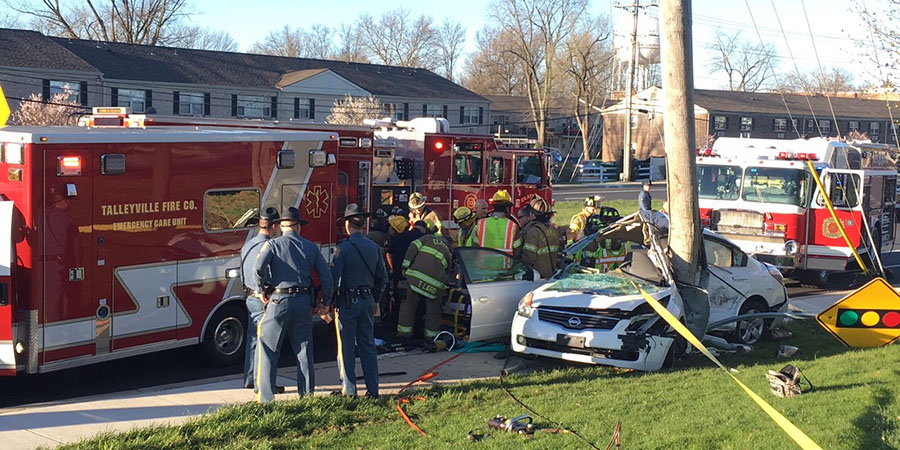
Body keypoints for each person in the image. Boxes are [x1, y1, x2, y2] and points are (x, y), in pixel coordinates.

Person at [253, 207, 334, 403]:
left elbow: (258, 268)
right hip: (304, 301)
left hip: (279, 300)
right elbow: (327, 277)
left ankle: (266, 399)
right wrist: (325, 303)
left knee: (268, 348)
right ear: (298, 227)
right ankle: (306, 397)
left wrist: (260, 289)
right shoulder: (311, 247)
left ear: (281, 226)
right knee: (304, 350)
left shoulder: (272, 245)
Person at [331, 204, 388, 398]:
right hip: (368, 300)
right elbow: (384, 278)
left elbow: (334, 277)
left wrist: (327, 302)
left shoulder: (343, 248)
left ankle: (349, 390)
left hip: (348, 302)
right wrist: (375, 299)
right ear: (363, 224)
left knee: (346, 346)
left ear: (348, 224)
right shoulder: (374, 247)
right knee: (368, 346)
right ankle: (373, 390)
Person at [240, 207, 284, 393]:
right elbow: (269, 274)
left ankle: (249, 378)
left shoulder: (247, 244)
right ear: (273, 226)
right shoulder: (269, 247)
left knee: (252, 339)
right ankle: (263, 384)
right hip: (263, 297)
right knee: (266, 342)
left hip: (248, 295)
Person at [397, 227, 452, 339]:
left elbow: (412, 247)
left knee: (408, 307)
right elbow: (448, 271)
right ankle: (432, 338)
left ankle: (404, 335)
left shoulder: (427, 238)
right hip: (434, 285)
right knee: (433, 312)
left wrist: (405, 267)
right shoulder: (448, 251)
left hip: (415, 279)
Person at [387, 220, 427, 335]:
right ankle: (416, 331)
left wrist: (394, 268)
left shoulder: (400, 237)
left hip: (399, 276)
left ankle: (398, 330)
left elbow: (389, 253)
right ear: (423, 229)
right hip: (415, 278)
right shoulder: (423, 238)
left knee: (399, 304)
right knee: (417, 306)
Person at [517, 196, 561, 279]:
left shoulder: (533, 232)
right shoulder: (554, 230)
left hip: (537, 278)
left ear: (532, 215)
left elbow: (529, 258)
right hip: (552, 276)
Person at [467, 190, 521, 255]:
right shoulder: (513, 226)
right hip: (504, 264)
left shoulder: (481, 224)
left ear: (494, 206)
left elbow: (474, 248)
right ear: (507, 208)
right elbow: (517, 251)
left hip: (484, 264)